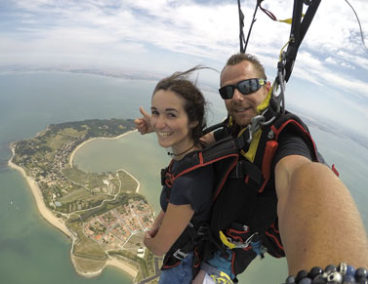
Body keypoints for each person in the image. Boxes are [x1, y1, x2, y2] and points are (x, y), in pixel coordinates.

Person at [136, 53, 368, 284]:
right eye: (227, 91)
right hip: (209, 233)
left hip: (232, 251)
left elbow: (301, 175)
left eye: (247, 86)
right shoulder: (236, 126)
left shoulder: (285, 135)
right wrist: (160, 127)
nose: (236, 97)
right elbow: (198, 144)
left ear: (267, 88)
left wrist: (340, 275)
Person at [139, 67, 214, 284]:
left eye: (170, 114)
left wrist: (148, 240)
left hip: (181, 269)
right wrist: (154, 126)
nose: (160, 122)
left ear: (193, 121)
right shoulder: (196, 152)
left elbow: (160, 247)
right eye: (156, 112)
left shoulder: (189, 181)